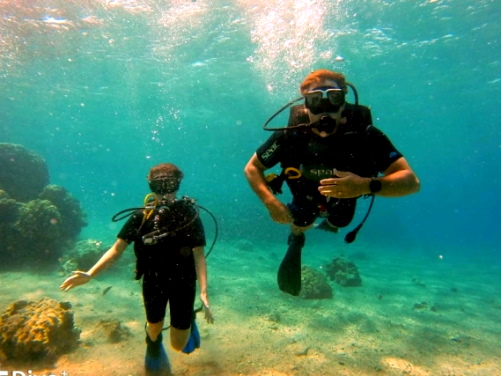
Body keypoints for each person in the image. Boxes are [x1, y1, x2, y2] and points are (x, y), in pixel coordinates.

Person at [244, 69, 420, 296]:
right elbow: (252, 168)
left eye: (333, 98)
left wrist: (366, 185)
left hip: (346, 198)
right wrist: (270, 202)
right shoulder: (290, 136)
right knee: (300, 220)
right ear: (305, 106)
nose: (324, 109)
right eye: (316, 100)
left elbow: (411, 182)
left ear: (343, 104)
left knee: (341, 220)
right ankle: (297, 236)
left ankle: (330, 222)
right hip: (304, 197)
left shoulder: (366, 135)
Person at [60, 163, 214, 376]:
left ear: (178, 185)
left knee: (179, 345)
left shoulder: (190, 216)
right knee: (154, 328)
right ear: (151, 186)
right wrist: (90, 274)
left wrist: (204, 292)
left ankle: (189, 318)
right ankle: (153, 343)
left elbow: (199, 256)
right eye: (159, 186)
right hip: (153, 280)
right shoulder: (141, 217)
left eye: (170, 185)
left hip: (184, 282)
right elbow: (116, 250)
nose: (165, 193)